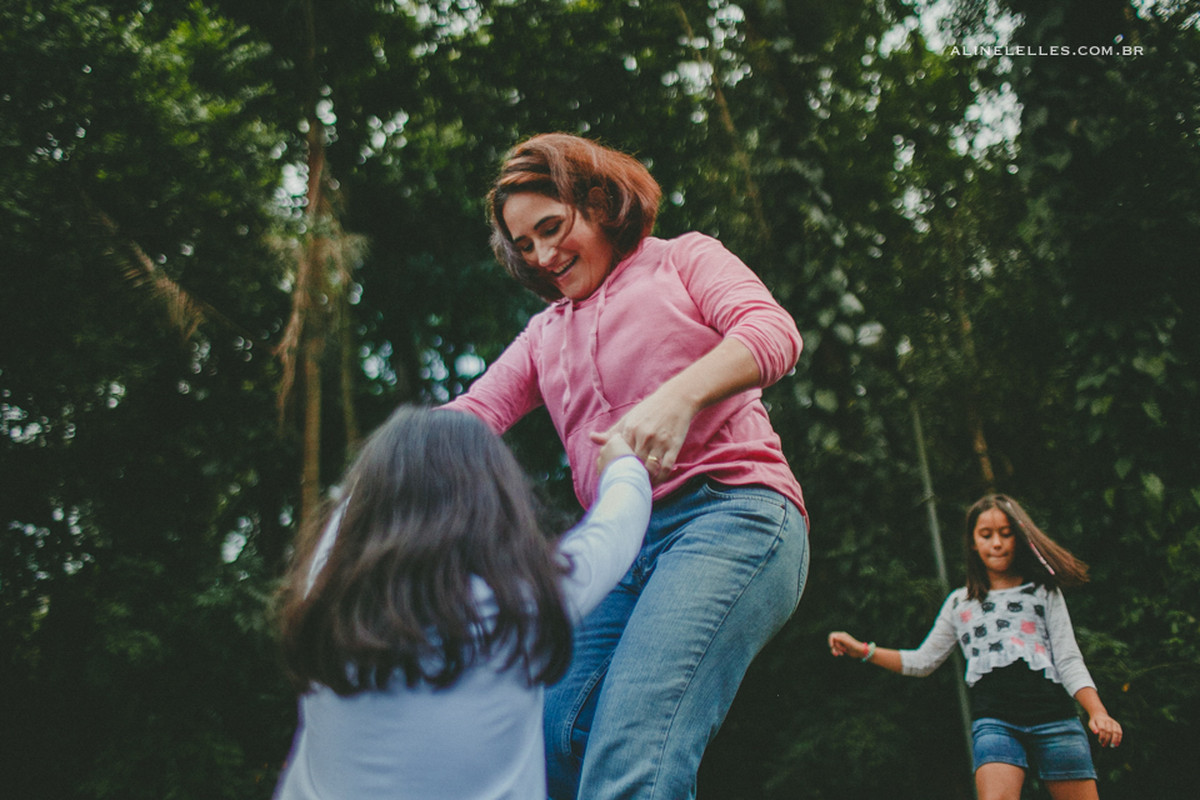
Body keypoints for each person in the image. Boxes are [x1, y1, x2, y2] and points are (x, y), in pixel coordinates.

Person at [442, 132, 810, 799]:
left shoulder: (683, 260)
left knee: (632, 748)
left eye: (552, 228)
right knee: (544, 740)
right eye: (524, 245)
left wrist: (679, 397)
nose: (544, 256)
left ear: (599, 201)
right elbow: (475, 414)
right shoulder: (545, 332)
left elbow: (772, 331)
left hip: (731, 515)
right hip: (619, 547)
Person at [272, 406, 652, 799]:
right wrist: (624, 464)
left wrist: (393, 467)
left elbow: (348, 520)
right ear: (495, 502)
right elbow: (616, 529)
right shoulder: (521, 608)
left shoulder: (328, 608)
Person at [828, 494, 1123, 800]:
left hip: (1055, 720)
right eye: (986, 535)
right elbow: (921, 661)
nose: (997, 543)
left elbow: (1068, 659)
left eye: (1006, 534)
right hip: (997, 723)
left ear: (1019, 538)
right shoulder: (960, 603)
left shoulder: (1043, 592)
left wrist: (1097, 712)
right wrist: (863, 650)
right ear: (973, 542)